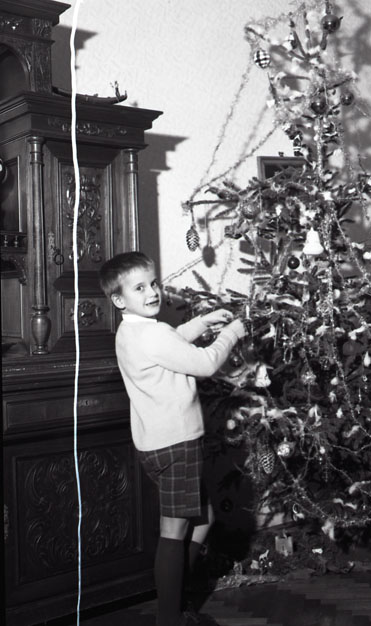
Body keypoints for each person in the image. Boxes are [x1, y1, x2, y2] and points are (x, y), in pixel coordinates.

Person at [99, 251, 246, 626]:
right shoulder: (152, 333)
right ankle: (170, 618)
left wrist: (203, 322)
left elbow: (171, 342)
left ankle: (177, 603)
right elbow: (205, 363)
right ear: (118, 299)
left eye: (153, 283)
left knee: (203, 518)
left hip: (155, 444)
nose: (152, 292)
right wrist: (231, 332)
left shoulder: (132, 331)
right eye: (139, 288)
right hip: (176, 443)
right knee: (174, 530)